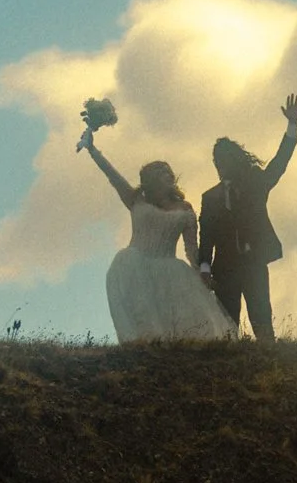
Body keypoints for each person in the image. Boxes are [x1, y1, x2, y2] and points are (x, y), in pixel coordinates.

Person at [78, 130, 236, 342]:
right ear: (151, 179)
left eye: (169, 171)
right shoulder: (137, 200)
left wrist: (203, 273)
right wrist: (93, 150)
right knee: (144, 316)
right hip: (135, 264)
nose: (169, 175)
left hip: (172, 270)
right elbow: (113, 176)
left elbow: (192, 250)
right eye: (162, 172)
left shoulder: (185, 208)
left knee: (184, 325)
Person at [199, 94, 297, 342]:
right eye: (216, 160)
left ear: (234, 160)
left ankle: (268, 361)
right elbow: (206, 236)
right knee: (227, 324)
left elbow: (278, 164)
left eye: (224, 159)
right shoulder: (210, 197)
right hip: (224, 268)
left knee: (261, 318)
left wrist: (292, 126)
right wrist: (204, 267)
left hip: (253, 262)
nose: (219, 165)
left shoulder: (256, 182)